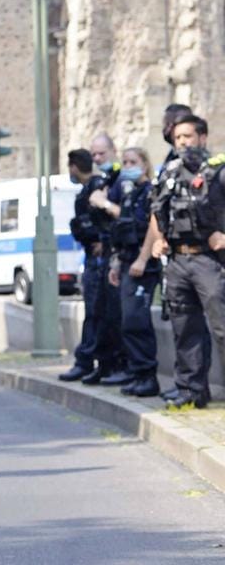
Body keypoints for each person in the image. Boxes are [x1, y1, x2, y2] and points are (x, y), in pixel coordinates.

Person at [140, 112, 225, 409]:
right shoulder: (169, 173)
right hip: (177, 261)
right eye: (177, 138)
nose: (182, 143)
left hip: (209, 260)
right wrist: (159, 239)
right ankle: (191, 390)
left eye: (187, 136)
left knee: (221, 327)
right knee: (184, 328)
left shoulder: (218, 171)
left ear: (202, 137)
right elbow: (158, 211)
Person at [61, 145, 125, 383]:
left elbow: (107, 221)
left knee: (101, 313)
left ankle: (96, 361)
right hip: (93, 255)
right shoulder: (86, 191)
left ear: (74, 167)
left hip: (102, 257)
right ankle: (92, 361)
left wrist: (101, 240)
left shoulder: (99, 187)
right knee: (94, 312)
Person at [107, 146, 162, 397]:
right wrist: (117, 264)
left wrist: (142, 259)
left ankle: (147, 376)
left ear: (145, 164)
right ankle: (137, 373)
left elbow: (153, 227)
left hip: (144, 264)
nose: (128, 166)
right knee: (127, 322)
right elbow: (122, 232)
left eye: (133, 161)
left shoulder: (150, 192)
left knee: (136, 320)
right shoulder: (130, 195)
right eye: (125, 162)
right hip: (128, 261)